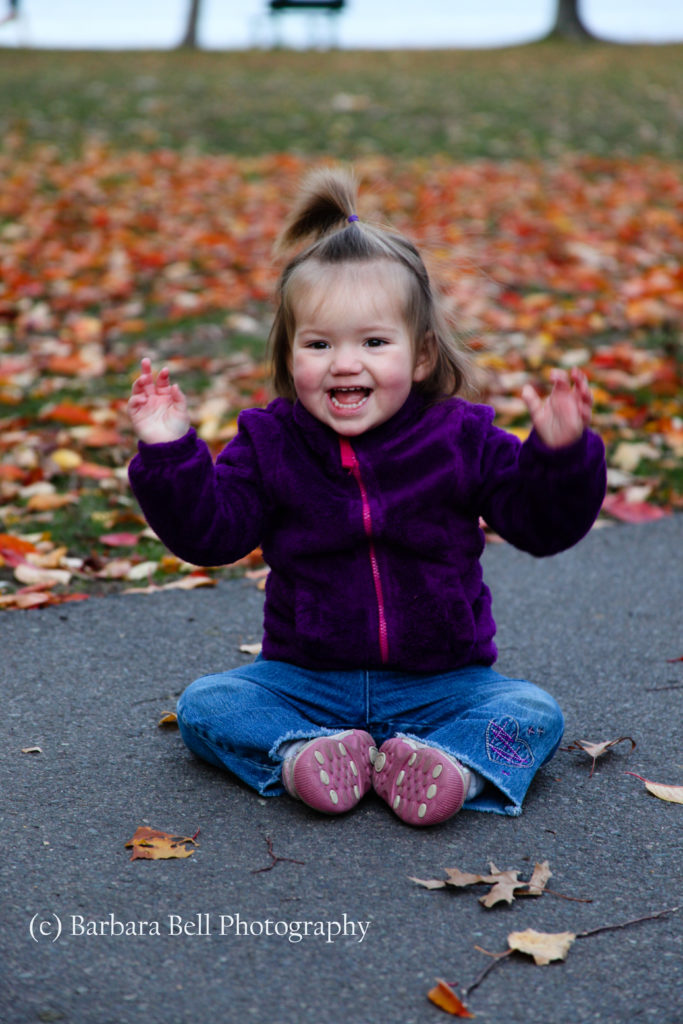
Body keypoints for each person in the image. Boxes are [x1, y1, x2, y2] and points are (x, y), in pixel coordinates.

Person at [127, 167, 606, 826]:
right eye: (318, 344)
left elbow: (540, 524)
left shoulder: (460, 436)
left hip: (444, 681)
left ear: (420, 356)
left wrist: (558, 455)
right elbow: (212, 535)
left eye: (373, 342)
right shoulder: (270, 441)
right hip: (304, 680)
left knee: (530, 713)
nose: (343, 363)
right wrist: (169, 451)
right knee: (208, 703)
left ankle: (453, 769)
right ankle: (303, 756)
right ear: (288, 353)